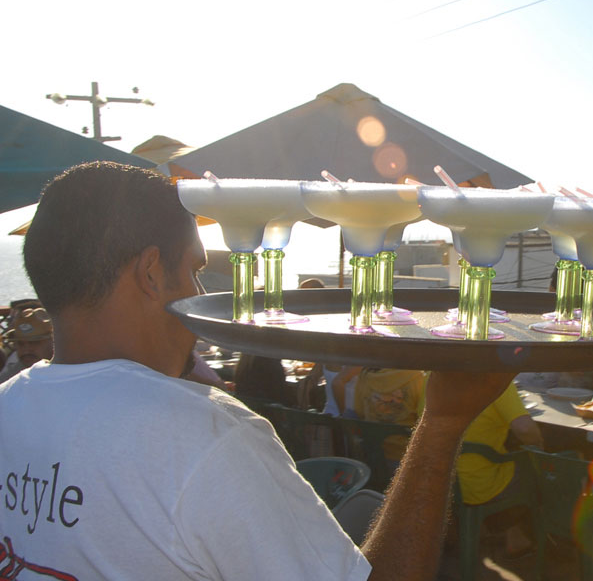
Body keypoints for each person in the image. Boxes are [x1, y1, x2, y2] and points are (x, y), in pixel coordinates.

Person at [0, 161, 513, 580]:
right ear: (151, 272)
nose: (200, 297)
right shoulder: (202, 435)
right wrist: (441, 425)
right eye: (195, 271)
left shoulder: (8, 406)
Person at [455, 383, 544, 557]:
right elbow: (525, 430)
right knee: (538, 470)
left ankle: (508, 533)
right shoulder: (496, 381)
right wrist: (539, 444)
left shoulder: (432, 377)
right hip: (481, 486)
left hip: (445, 482)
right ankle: (551, 535)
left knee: (505, 457)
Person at [0, 306, 54, 384]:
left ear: (53, 342)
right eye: (20, 344)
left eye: (34, 343)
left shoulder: (69, 370)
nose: (26, 349)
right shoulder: (10, 376)